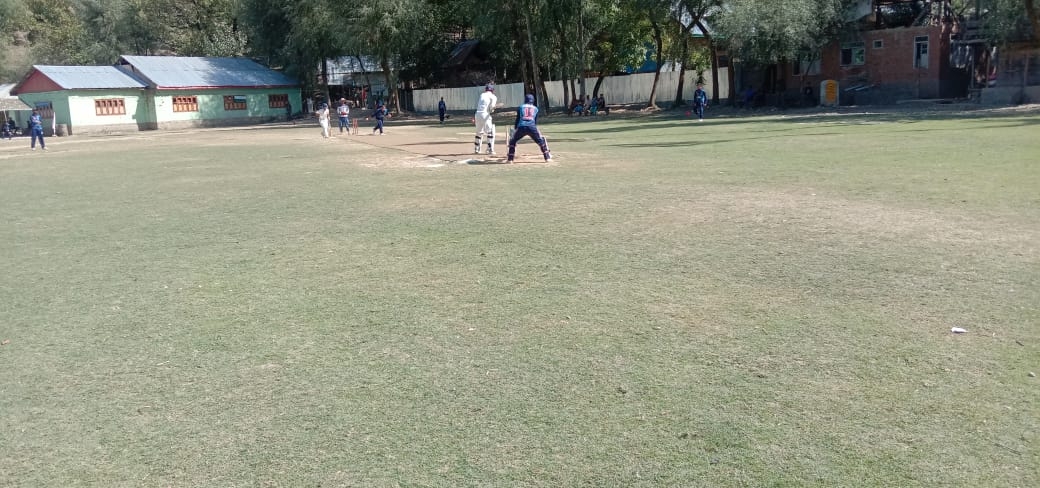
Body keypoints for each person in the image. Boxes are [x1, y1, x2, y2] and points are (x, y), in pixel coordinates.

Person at [506, 94, 552, 164]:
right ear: (533, 100)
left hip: (522, 127)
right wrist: (534, 128)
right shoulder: (536, 109)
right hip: (532, 127)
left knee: (513, 141)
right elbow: (535, 120)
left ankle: (510, 159)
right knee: (540, 141)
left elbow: (518, 119)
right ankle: (547, 158)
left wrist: (515, 128)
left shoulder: (521, 107)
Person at [473, 83, 500, 154]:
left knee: (479, 132)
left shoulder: (482, 95)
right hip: (485, 114)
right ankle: (490, 149)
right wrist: (493, 109)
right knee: (490, 132)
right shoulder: (493, 97)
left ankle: (477, 149)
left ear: (486, 89)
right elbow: (491, 109)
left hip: (477, 114)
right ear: (492, 90)